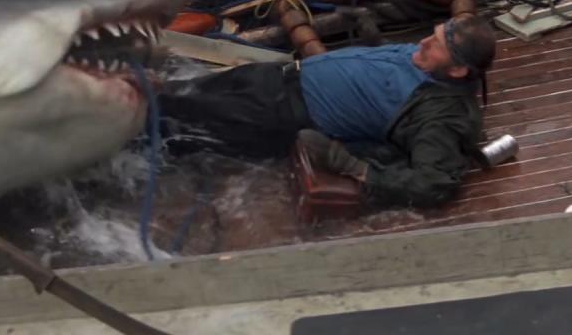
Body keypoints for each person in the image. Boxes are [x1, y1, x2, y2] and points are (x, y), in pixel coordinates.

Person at [158, 13, 497, 209]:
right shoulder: (432, 64)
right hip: (276, 77)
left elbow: (433, 185)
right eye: (432, 34)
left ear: (458, 72)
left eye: (436, 44)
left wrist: (349, 165)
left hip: (275, 114)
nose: (423, 42)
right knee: (169, 97)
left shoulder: (441, 113)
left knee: (165, 115)